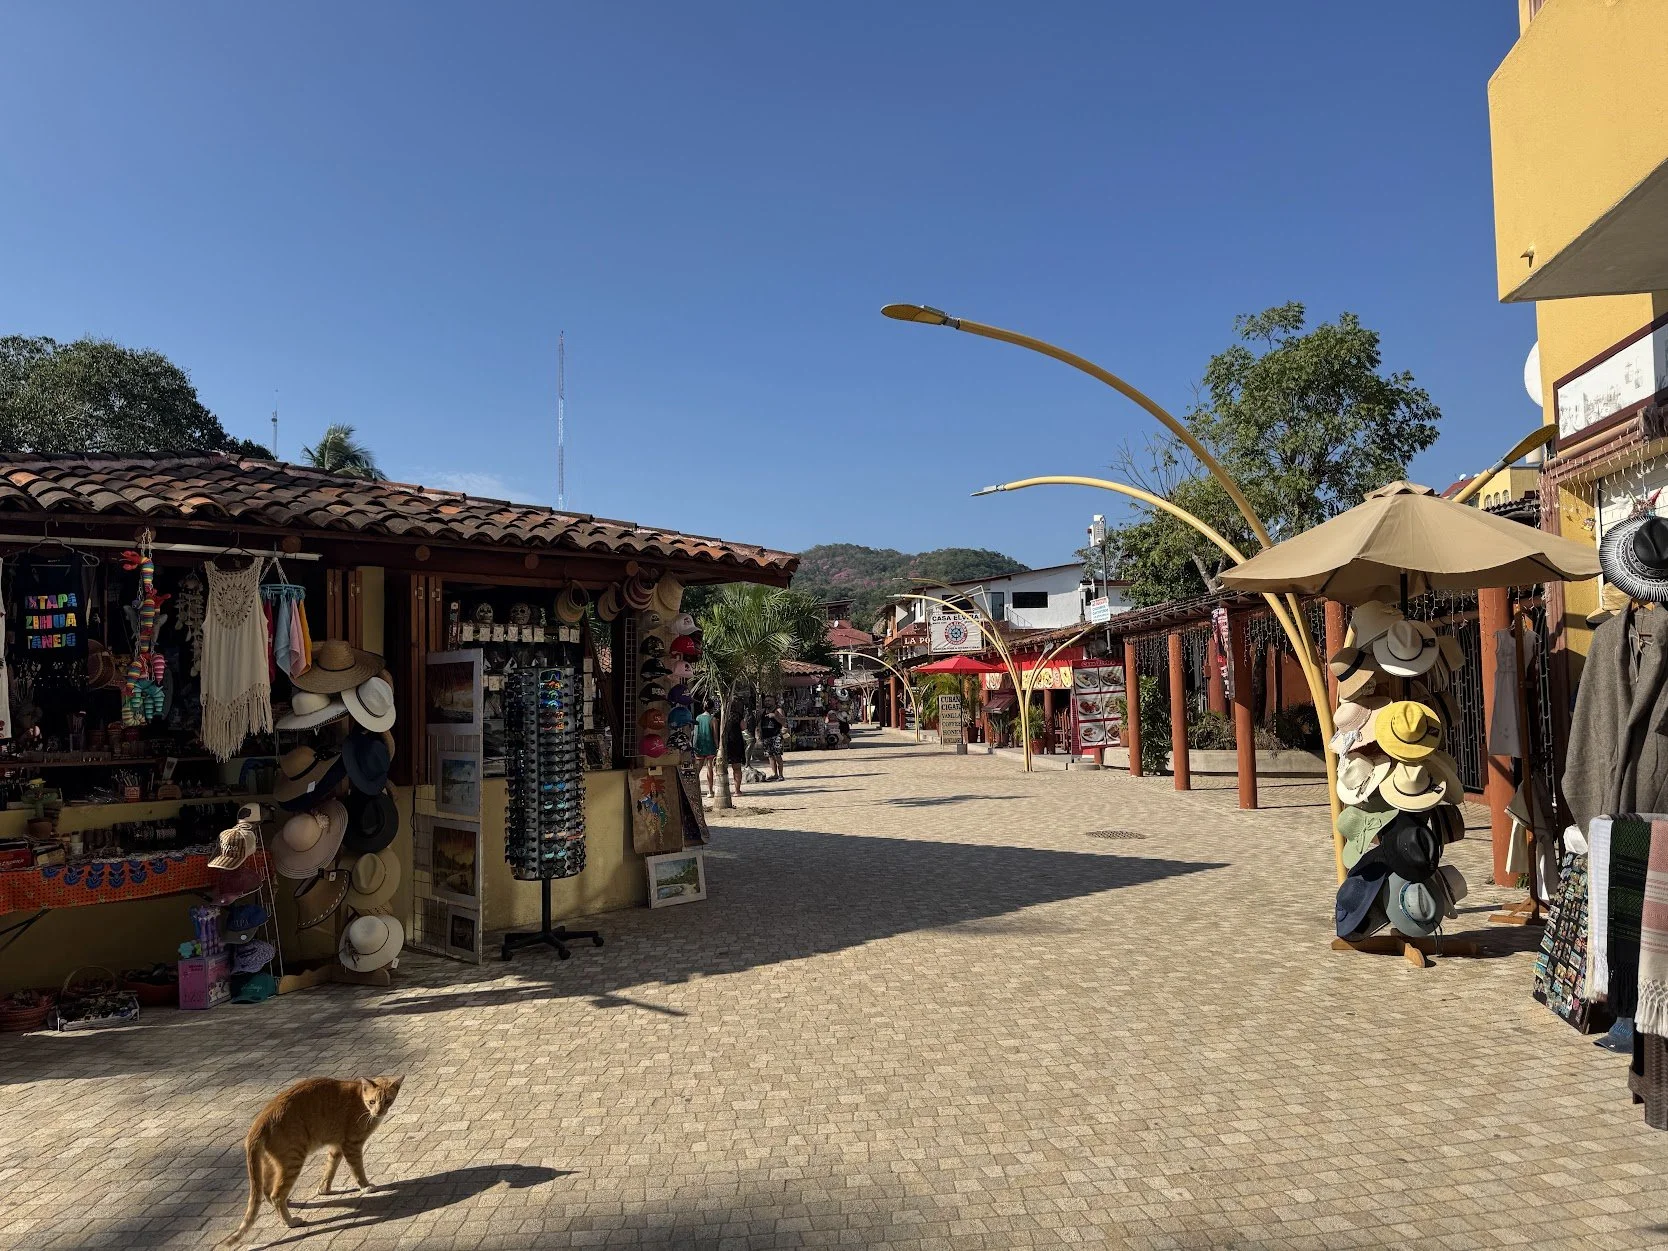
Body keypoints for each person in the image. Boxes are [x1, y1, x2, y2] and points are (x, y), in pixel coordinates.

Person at [694, 700, 719, 797]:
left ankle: (695, 790)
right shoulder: (713, 719)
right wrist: (718, 747)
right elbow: (715, 736)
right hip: (710, 746)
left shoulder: (698, 718)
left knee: (697, 770)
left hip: (699, 746)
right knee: (709, 768)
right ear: (712, 708)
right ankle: (710, 791)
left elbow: (695, 733)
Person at [723, 699, 747, 797]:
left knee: (722, 768)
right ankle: (737, 790)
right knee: (736, 768)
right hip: (736, 742)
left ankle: (723, 790)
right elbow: (744, 727)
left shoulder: (721, 715)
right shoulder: (737, 715)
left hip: (724, 743)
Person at [759, 702, 786, 781]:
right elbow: (760, 723)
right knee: (770, 756)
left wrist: (775, 716)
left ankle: (781, 775)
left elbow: (784, 722)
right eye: (766, 700)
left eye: (769, 700)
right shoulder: (763, 711)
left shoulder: (778, 710)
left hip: (776, 735)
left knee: (777, 755)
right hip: (766, 736)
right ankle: (775, 774)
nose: (767, 702)